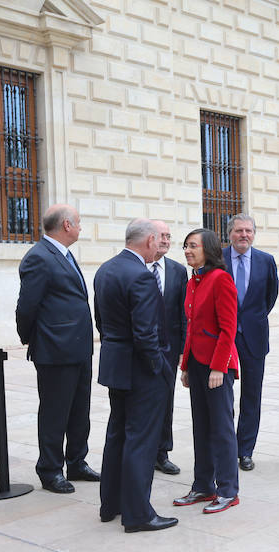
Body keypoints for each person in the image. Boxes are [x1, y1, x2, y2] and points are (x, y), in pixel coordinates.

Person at [94, 220, 178, 532]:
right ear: (149, 240)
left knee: (118, 434)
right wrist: (158, 368)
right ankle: (138, 514)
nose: (161, 245)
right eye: (159, 240)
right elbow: (146, 334)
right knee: (141, 440)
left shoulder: (106, 269)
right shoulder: (141, 275)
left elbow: (100, 321)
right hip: (141, 370)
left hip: (116, 364)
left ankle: (111, 505)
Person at [15, 204, 98, 494]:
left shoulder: (63, 254)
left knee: (79, 410)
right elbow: (27, 306)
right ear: (66, 225)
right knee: (55, 413)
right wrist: (29, 338)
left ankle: (77, 462)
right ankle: (50, 470)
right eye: (78, 223)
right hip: (55, 350)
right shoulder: (39, 257)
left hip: (78, 348)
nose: (80, 227)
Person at [173, 228, 241, 511]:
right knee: (201, 428)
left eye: (193, 246)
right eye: (185, 246)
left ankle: (228, 490)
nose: (187, 251)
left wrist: (218, 368)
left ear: (208, 250)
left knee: (221, 428)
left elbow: (228, 329)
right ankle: (203, 486)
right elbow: (191, 329)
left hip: (217, 366)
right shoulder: (193, 281)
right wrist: (186, 365)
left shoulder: (220, 279)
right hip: (198, 364)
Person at [221, 215, 278, 472]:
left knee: (252, 395)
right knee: (222, 395)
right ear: (230, 234)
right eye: (238, 230)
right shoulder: (217, 259)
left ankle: (245, 450)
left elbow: (270, 295)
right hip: (223, 337)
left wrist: (253, 319)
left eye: (248, 231)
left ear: (254, 234)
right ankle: (224, 448)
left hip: (253, 336)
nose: (244, 235)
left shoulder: (266, 261)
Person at [146, 221, 187, 477]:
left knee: (165, 400)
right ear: (148, 237)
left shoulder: (177, 271)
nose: (165, 240)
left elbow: (183, 313)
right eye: (161, 235)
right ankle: (144, 451)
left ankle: (162, 452)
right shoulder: (134, 267)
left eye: (169, 236)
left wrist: (183, 349)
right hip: (140, 347)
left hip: (169, 349)